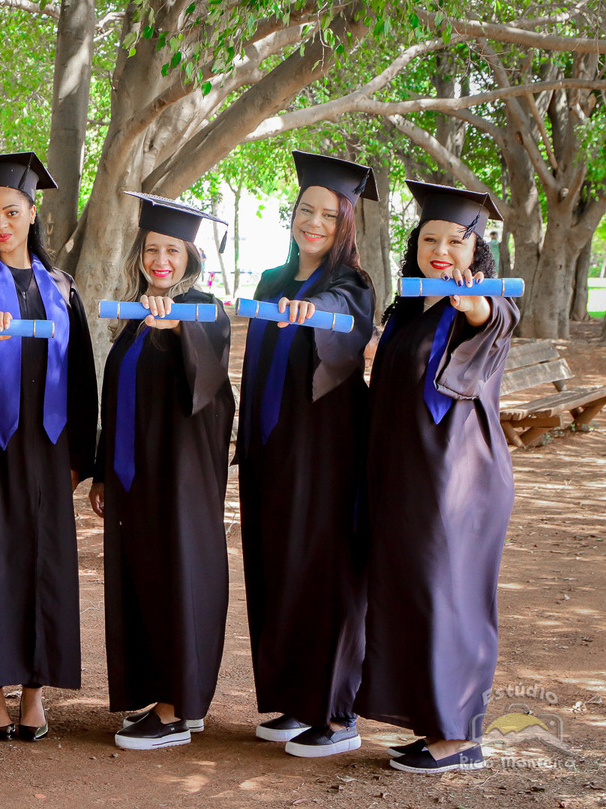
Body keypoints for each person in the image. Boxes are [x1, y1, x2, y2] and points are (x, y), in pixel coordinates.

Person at [357, 181, 517, 774]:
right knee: (416, 597)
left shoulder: (483, 302)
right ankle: (434, 725)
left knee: (452, 598)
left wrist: (473, 304)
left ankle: (460, 738)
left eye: (456, 240)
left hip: (460, 481)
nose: (441, 250)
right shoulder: (408, 309)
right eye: (429, 239)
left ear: (477, 250)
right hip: (408, 477)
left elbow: (489, 318)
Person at [0, 151, 98, 742]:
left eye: (11, 211)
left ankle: (34, 689)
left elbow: (81, 373)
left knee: (43, 564)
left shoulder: (62, 287)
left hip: (47, 447)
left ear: (33, 213)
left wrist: (82, 456)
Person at [234, 151, 377, 757]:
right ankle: (298, 699)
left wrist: (313, 311)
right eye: (305, 210)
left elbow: (344, 319)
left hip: (325, 452)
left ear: (345, 224)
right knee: (279, 568)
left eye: (328, 215)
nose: (313, 222)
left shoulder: (353, 285)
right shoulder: (271, 280)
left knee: (325, 572)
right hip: (270, 449)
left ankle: (337, 715)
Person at [89, 193, 234, 750]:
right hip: (135, 479)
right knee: (145, 580)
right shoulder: (133, 316)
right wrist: (103, 471)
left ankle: (177, 711)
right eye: (152, 249)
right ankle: (168, 698)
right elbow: (116, 398)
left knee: (180, 578)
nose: (161, 260)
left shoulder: (203, 311)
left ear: (190, 256)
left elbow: (211, 387)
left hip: (179, 479)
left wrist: (177, 330)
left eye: (173, 250)